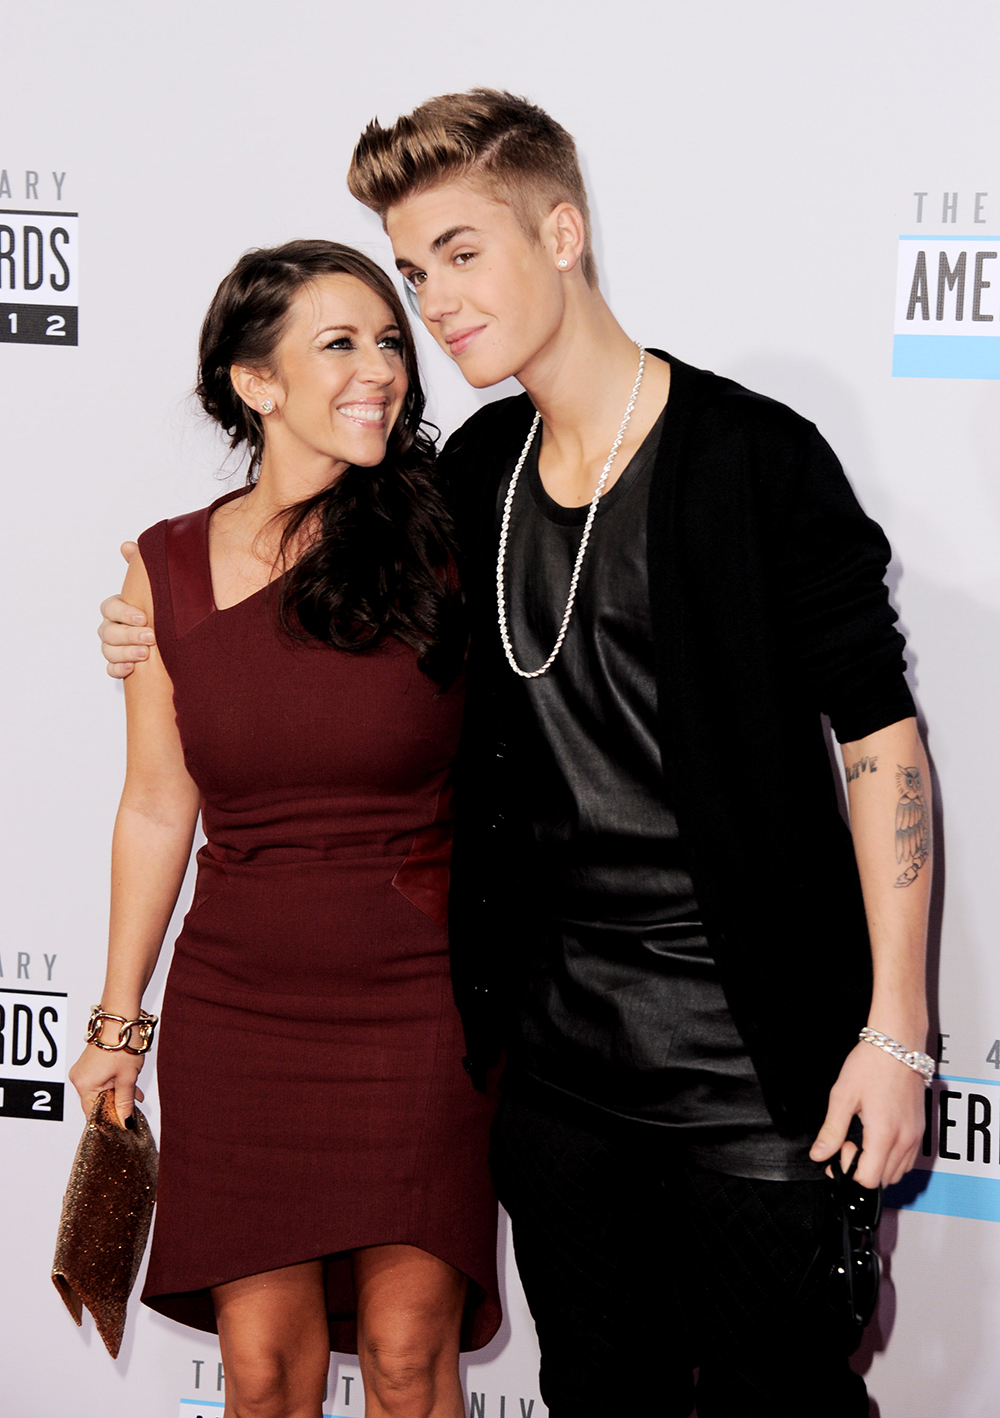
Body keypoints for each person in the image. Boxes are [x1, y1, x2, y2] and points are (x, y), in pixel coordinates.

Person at [100, 93, 933, 1416]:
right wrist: (159, 605)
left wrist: (898, 1031)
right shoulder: (474, 474)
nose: (433, 304)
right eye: (415, 272)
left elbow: (883, 740)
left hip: (755, 1063)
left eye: (459, 255)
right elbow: (306, 566)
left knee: (786, 1394)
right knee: (604, 1391)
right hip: (552, 1077)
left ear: (563, 230)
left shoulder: (753, 457)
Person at [73, 239, 500, 1418]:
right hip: (241, 1012)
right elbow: (158, 803)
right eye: (339, 343)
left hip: (422, 1004)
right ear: (254, 383)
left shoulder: (449, 532)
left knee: (413, 1360)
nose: (383, 368)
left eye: (389, 339)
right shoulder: (160, 567)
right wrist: (120, 1016)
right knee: (263, 1368)